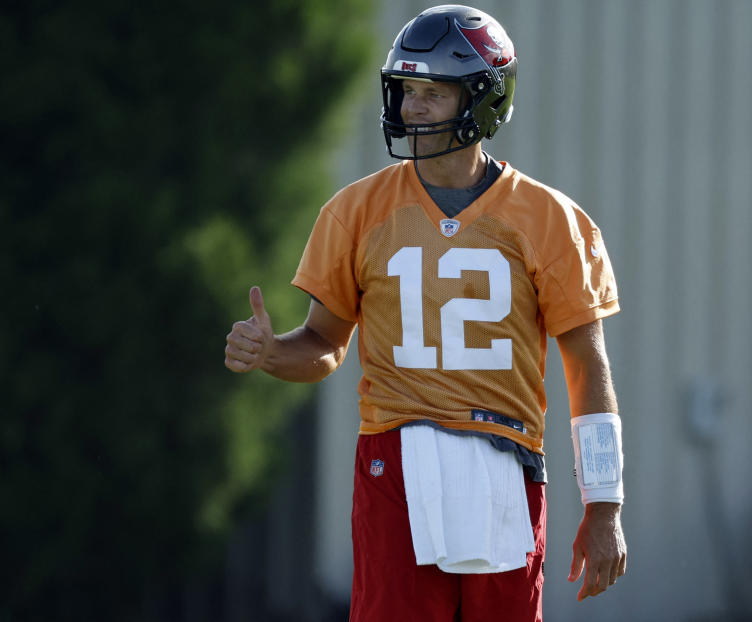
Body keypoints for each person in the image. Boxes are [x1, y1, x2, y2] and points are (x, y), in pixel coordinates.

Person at [224, 5, 626, 621]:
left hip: (506, 457)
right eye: (408, 90)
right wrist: (274, 352)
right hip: (394, 454)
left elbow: (586, 369)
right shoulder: (356, 211)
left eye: (433, 93)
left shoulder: (551, 221)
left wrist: (604, 505)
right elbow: (325, 344)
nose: (412, 108)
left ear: (482, 100)